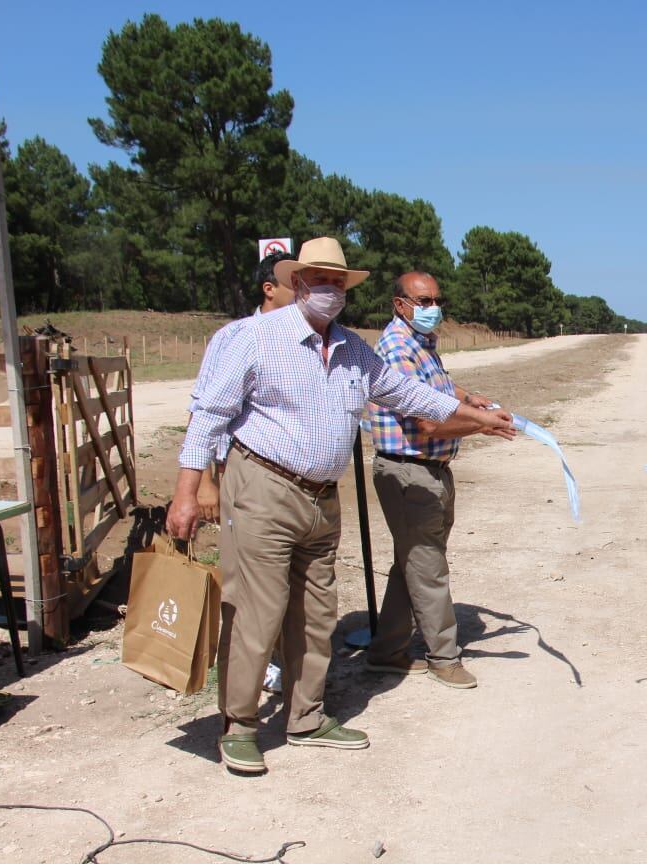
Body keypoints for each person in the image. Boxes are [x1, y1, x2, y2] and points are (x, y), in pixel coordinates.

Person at [166, 237, 516, 775]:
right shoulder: (251, 338)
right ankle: (239, 725)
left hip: (322, 498)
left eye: (337, 283)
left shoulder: (353, 349)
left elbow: (405, 394)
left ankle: (306, 717)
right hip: (262, 487)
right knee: (257, 612)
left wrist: (475, 415)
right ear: (297, 283)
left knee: (316, 613)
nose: (328, 291)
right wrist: (189, 491)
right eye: (318, 281)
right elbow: (208, 415)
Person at [364, 272, 505, 689]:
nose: (432, 309)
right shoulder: (396, 346)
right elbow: (427, 422)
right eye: (422, 302)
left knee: (413, 562)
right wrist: (481, 425)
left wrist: (466, 398)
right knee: (428, 566)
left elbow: (435, 387)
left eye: (436, 301)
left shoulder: (420, 344)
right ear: (400, 304)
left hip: (430, 471)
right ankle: (444, 658)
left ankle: (386, 652)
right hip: (409, 472)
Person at [188, 250, 296, 695]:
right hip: (241, 474)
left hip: (292, 485)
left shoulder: (305, 336)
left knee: (283, 578)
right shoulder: (235, 337)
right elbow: (206, 410)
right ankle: (249, 670)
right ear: (269, 289)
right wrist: (207, 482)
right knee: (247, 581)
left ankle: (286, 660)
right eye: (296, 285)